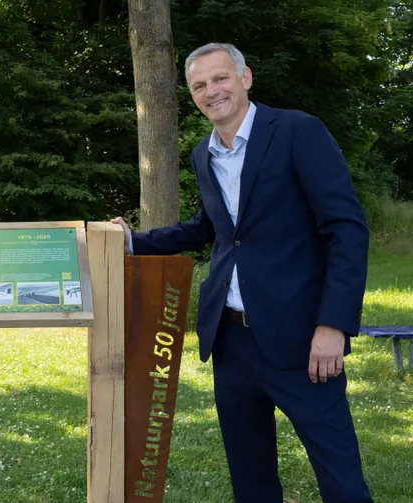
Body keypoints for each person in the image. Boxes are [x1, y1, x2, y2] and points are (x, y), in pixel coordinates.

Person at [112, 43, 372, 503]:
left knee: (340, 479)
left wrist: (333, 325)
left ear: (245, 77)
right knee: (250, 480)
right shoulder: (203, 155)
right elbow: (206, 229)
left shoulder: (298, 132)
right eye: (199, 85)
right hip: (231, 342)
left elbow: (347, 230)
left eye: (220, 78)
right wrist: (132, 241)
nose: (211, 91)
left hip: (303, 341)